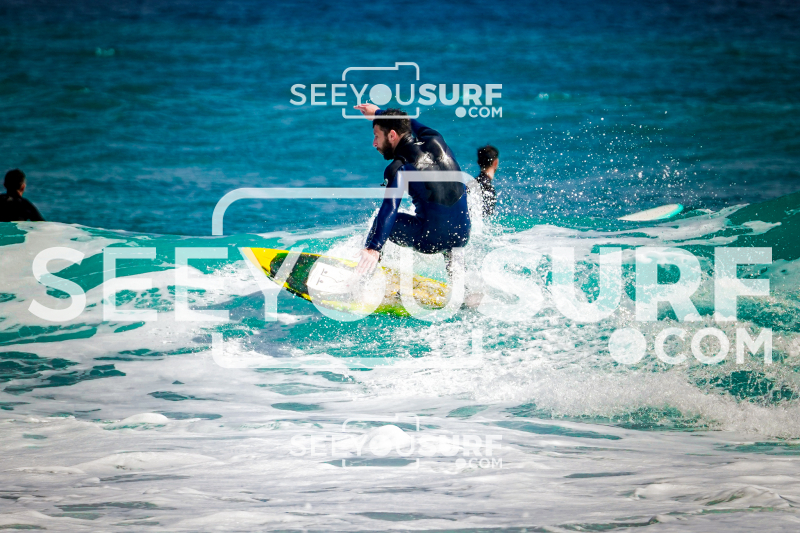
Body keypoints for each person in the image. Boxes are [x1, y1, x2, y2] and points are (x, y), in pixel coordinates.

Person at [353, 104, 470, 276]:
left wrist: (374, 247)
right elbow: (407, 121)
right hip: (462, 234)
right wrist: (378, 112)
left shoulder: (398, 168)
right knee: (445, 217)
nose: (374, 143)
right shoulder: (435, 138)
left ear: (392, 135)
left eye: (376, 136)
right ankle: (460, 282)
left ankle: (365, 275)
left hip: (430, 240)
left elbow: (390, 208)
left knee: (381, 222)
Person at [468, 145, 499, 217]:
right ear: (495, 163)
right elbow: (486, 218)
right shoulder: (488, 188)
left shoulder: (470, 184)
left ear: (478, 162)